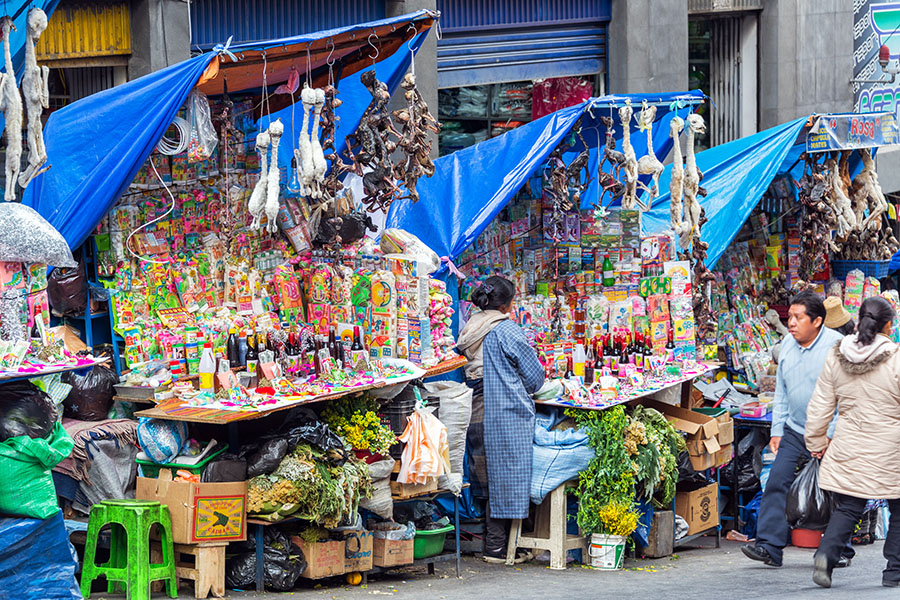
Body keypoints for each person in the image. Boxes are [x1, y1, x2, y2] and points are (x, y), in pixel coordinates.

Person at [742, 291, 843, 567]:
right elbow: (782, 393)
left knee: (836, 491)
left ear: (818, 321)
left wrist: (831, 433)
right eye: (790, 317)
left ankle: (838, 548)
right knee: (776, 481)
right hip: (795, 430)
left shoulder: (837, 347)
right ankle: (770, 547)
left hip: (830, 432)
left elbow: (845, 395)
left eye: (799, 318)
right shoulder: (787, 344)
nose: (792, 323)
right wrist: (777, 430)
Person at [806, 296, 900, 588]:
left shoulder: (837, 354)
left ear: (859, 319)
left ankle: (826, 556)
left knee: (849, 507)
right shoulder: (896, 357)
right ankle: (895, 571)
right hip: (890, 448)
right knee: (899, 508)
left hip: (849, 443)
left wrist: (815, 441)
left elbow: (821, 404)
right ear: (888, 324)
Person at [463, 276, 545, 563]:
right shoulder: (506, 330)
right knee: (507, 479)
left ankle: (495, 544)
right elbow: (534, 378)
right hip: (503, 412)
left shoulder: (470, 326)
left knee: (487, 481)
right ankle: (498, 548)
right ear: (509, 304)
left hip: (476, 412)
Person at [456, 278, 513, 515]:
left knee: (480, 462)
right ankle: (496, 539)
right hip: (495, 402)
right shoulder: (502, 327)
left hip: (475, 401)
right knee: (499, 469)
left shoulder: (471, 324)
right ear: (504, 306)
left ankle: (488, 534)